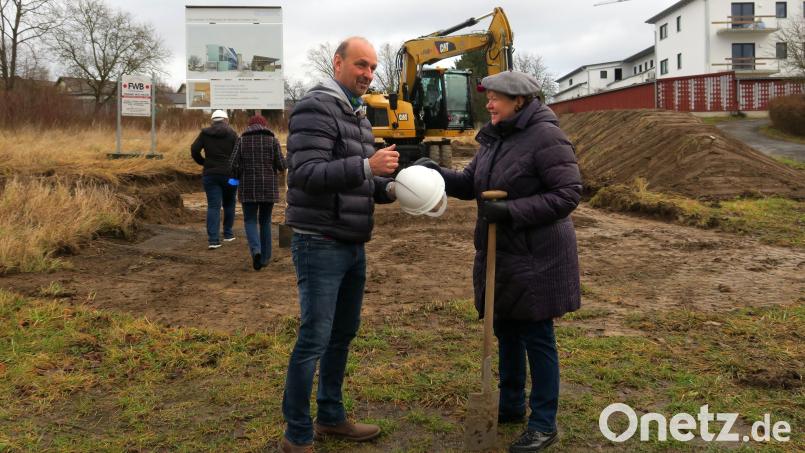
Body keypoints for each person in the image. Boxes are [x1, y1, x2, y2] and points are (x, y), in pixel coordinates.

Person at [416, 71, 582, 453]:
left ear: (518, 101)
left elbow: (568, 193)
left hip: (538, 255)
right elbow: (470, 183)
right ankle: (510, 405)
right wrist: (436, 175)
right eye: (488, 97)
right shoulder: (495, 138)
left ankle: (544, 423)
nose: (488, 104)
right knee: (506, 329)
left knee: (537, 336)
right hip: (503, 254)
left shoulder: (546, 136)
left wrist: (510, 211)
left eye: (495, 98)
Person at [279, 36, 400, 453]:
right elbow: (306, 174)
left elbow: (358, 182)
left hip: (351, 241)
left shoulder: (358, 115)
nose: (368, 74)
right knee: (315, 337)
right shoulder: (315, 107)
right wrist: (367, 166)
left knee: (342, 333)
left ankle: (330, 417)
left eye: (373, 67)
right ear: (337, 62)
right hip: (319, 242)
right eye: (361, 64)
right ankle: (297, 434)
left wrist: (392, 189)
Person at [228, 114, 286, 270]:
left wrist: (237, 176)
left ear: (249, 126)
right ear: (264, 125)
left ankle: (256, 251)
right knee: (265, 221)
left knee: (250, 221)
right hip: (268, 188)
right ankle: (265, 258)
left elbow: (232, 164)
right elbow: (281, 165)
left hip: (248, 187)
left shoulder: (241, 140)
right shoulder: (273, 140)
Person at [191, 109, 239, 249]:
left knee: (213, 206)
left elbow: (194, 149)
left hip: (210, 175)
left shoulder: (205, 133)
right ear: (226, 120)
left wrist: (203, 162)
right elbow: (239, 154)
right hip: (231, 176)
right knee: (230, 203)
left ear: (212, 120)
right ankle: (228, 234)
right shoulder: (232, 134)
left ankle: (213, 240)